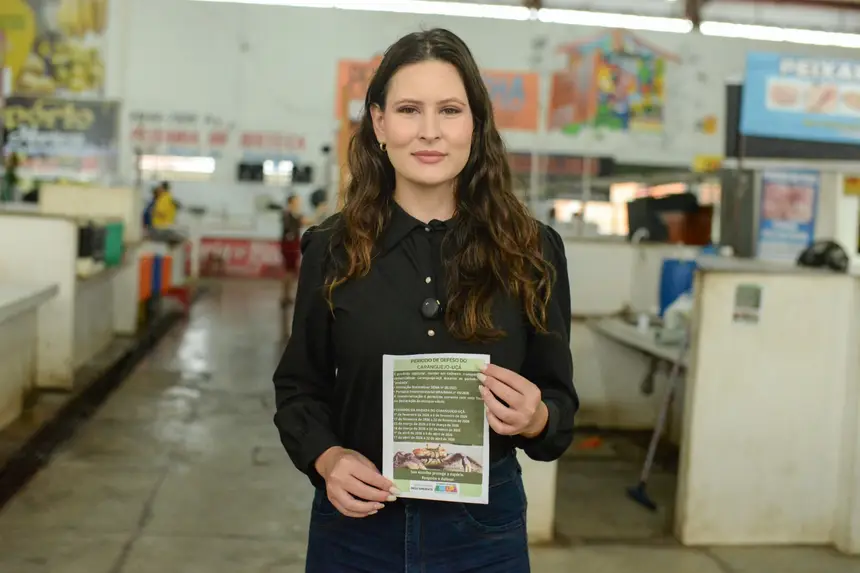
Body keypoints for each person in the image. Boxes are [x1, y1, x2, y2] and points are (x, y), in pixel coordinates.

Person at [272, 28, 577, 573]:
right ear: (379, 123)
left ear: (475, 124)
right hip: (358, 525)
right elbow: (299, 388)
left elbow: (559, 404)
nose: (429, 131)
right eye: (409, 109)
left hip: (483, 533)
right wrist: (328, 457)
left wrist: (537, 418)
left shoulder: (532, 252)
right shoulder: (332, 249)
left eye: (450, 111)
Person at [280, 194, 311, 307]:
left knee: (291, 271)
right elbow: (304, 222)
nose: (299, 203)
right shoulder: (288, 214)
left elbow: (306, 222)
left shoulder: (294, 214)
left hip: (293, 244)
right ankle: (285, 296)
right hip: (289, 245)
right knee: (289, 270)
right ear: (292, 202)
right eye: (297, 201)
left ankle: (286, 296)